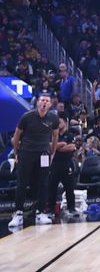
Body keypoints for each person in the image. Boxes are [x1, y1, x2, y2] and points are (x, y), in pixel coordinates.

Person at [9, 93, 60, 228]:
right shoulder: (27, 117)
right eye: (42, 100)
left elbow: (55, 137)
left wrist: (53, 153)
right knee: (22, 182)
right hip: (26, 152)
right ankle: (18, 213)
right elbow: (17, 135)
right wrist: (16, 153)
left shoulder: (53, 119)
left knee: (43, 183)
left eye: (47, 101)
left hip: (43, 154)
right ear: (38, 102)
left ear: (50, 104)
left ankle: (40, 212)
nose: (44, 103)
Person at [48, 114, 80, 219]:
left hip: (66, 163)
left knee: (69, 187)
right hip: (54, 163)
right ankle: (51, 210)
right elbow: (49, 147)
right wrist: (61, 144)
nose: (57, 124)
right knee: (52, 187)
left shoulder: (70, 134)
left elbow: (71, 147)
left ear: (65, 122)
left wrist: (56, 147)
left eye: (60, 121)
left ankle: (71, 208)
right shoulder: (52, 135)